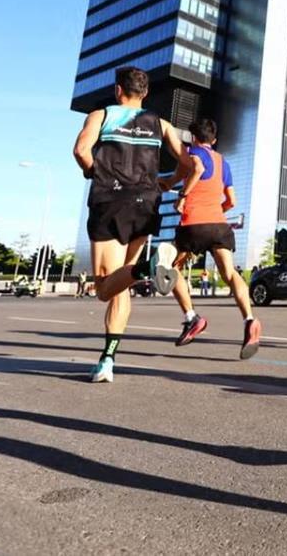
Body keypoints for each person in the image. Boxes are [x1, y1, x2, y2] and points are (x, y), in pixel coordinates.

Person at [72, 66, 186, 384]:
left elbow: (81, 151)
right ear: (145, 93)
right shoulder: (161, 124)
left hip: (110, 201)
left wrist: (95, 172)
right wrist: (168, 182)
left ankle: (145, 270)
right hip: (146, 203)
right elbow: (190, 163)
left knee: (104, 289)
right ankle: (107, 360)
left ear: (118, 91)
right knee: (121, 286)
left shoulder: (101, 115)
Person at [167, 117, 262, 360]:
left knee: (171, 270)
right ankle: (249, 320)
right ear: (215, 140)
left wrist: (182, 196)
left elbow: (196, 169)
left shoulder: (191, 153)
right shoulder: (223, 162)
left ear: (193, 137)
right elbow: (232, 201)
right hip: (219, 226)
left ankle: (192, 318)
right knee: (230, 274)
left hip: (193, 225)